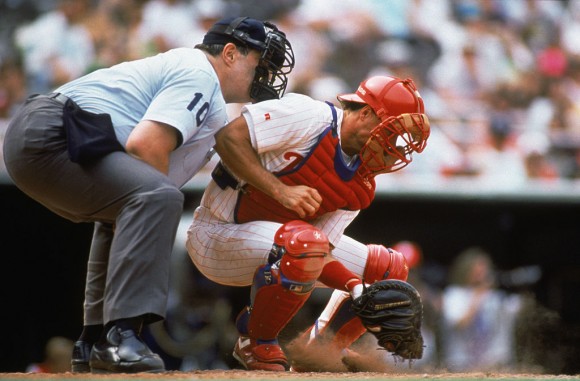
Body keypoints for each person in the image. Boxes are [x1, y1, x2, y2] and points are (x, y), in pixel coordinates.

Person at [3, 16, 295, 374]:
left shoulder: (211, 99)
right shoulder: (200, 71)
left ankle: (95, 338)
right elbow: (146, 146)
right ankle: (121, 336)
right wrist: (154, 207)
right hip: (51, 131)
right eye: (261, 62)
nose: (267, 74)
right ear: (231, 53)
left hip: (47, 135)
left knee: (132, 207)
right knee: (157, 197)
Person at [186, 74, 430, 371]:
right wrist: (281, 192)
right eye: (390, 133)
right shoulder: (309, 117)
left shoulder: (361, 181)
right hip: (216, 234)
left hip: (280, 247)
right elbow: (228, 138)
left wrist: (356, 287)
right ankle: (256, 341)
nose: (393, 147)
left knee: (389, 268)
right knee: (304, 243)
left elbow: (323, 254)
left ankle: (319, 354)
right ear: (366, 113)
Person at [440, 247, 523, 372]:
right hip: (462, 365)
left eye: (484, 269)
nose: (481, 274)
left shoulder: (496, 297)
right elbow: (459, 324)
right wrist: (478, 297)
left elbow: (518, 313)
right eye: (476, 270)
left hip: (494, 366)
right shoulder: (454, 295)